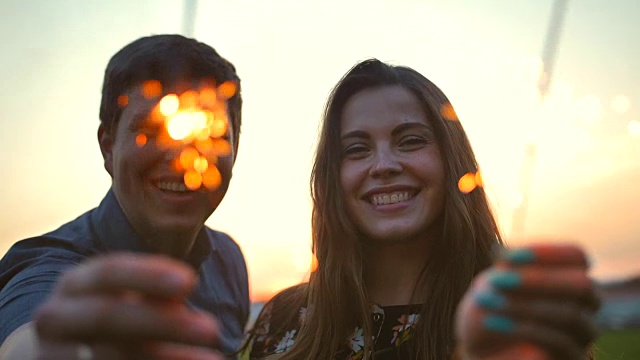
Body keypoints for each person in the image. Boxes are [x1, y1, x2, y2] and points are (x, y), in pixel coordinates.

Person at [241, 59, 599, 360]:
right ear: (332, 177)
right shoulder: (283, 320)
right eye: (356, 149)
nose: (383, 165)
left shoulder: (509, 316)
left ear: (452, 161)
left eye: (410, 141)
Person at [0, 34, 249, 360]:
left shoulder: (228, 261)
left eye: (211, 134)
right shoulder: (53, 268)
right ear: (108, 147)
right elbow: (30, 336)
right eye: (152, 130)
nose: (181, 156)